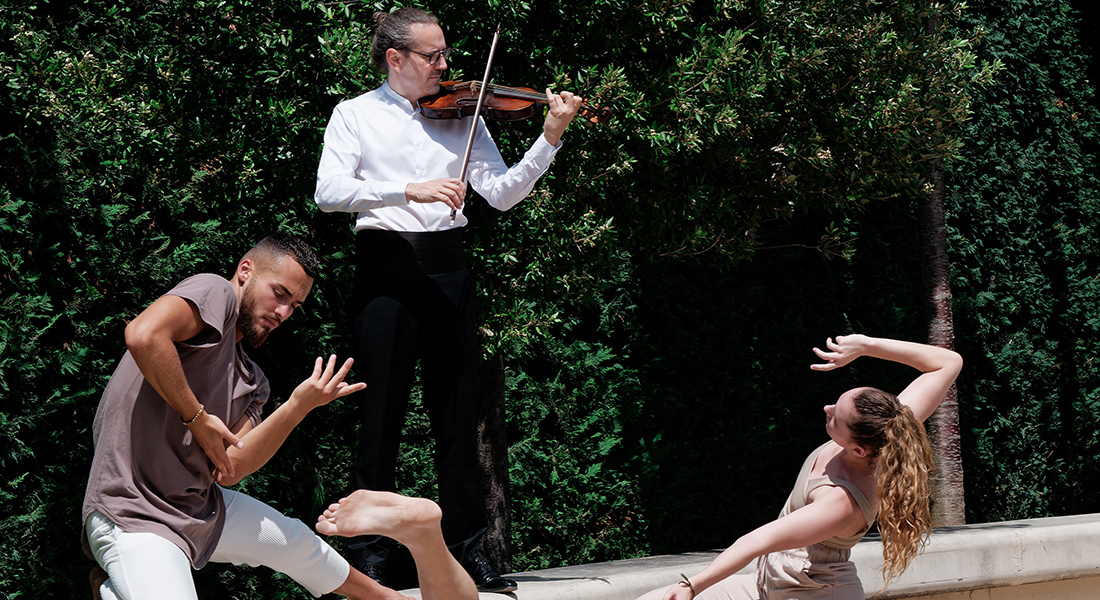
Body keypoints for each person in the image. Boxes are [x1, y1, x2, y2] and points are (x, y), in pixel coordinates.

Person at [313, 6, 583, 593]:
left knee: (459, 419)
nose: (445, 65)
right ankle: (370, 554)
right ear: (396, 58)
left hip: (448, 268)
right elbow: (328, 191)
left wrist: (549, 137)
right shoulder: (354, 114)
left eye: (444, 54)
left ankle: (468, 550)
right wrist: (406, 188)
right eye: (432, 55)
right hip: (385, 268)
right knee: (378, 415)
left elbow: (503, 195)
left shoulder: (463, 115)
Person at [80, 234, 475, 600]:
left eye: (295, 305)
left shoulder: (253, 383)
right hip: (131, 513)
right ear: (246, 270)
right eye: (279, 294)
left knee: (296, 542)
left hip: (200, 508)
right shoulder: (215, 291)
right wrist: (196, 417)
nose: (283, 312)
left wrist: (298, 405)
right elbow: (143, 335)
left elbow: (229, 469)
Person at [636, 334, 963, 600]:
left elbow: (755, 542)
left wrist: (692, 586)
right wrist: (866, 345)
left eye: (835, 415)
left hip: (814, 594)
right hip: (767, 585)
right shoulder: (890, 427)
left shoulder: (841, 502)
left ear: (858, 450)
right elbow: (948, 363)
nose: (827, 408)